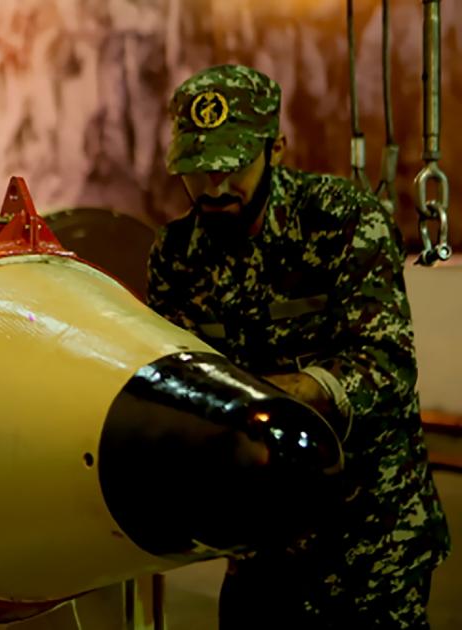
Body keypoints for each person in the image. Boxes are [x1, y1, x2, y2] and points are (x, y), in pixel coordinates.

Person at [146, 63, 450, 629]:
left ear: (276, 148)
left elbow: (385, 370)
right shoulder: (178, 253)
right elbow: (170, 376)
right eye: (197, 169)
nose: (213, 187)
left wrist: (269, 398)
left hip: (369, 539)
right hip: (260, 537)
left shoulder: (342, 221)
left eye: (232, 167)